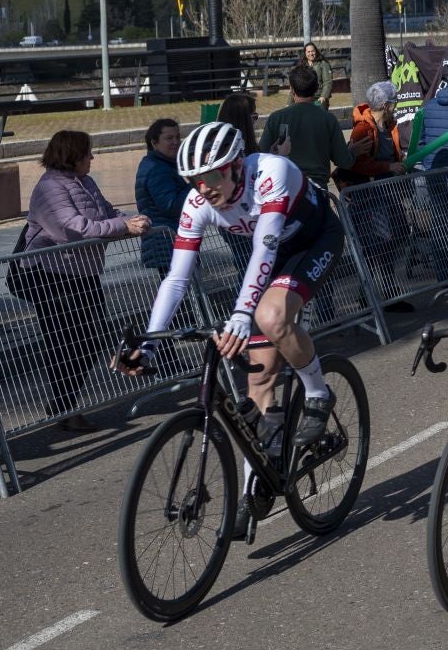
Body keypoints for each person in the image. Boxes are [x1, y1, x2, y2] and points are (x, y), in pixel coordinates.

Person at [122, 122, 345, 536]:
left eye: (210, 177)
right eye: (194, 181)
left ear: (236, 167)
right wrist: (150, 343)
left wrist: (242, 314)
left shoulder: (270, 174)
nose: (203, 189)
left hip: (315, 241)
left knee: (270, 317)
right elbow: (176, 278)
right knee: (257, 386)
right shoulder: (197, 203)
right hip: (272, 261)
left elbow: (265, 245)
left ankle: (317, 391)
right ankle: (251, 489)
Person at [22, 130, 151, 432]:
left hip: (83, 273)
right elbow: (70, 228)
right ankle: (63, 408)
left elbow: (106, 212)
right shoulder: (50, 188)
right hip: (51, 275)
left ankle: (63, 405)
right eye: (87, 153)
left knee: (89, 340)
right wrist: (122, 226)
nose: (92, 158)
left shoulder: (85, 182)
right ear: (72, 155)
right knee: (65, 343)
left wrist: (133, 220)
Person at [259, 64, 355, 186]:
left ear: (292, 90)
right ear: (316, 89)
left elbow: (261, 156)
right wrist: (352, 151)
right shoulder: (328, 119)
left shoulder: (276, 118)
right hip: (317, 189)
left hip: (284, 188)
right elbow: (343, 160)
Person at [134, 118, 185, 275]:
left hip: (170, 241)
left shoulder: (164, 164)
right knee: (178, 294)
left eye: (178, 137)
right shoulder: (157, 168)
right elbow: (170, 205)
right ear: (154, 143)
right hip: (167, 242)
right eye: (169, 138)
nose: (175, 142)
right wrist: (194, 184)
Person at [342, 81, 406, 184]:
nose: (396, 106)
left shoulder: (390, 125)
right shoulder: (363, 129)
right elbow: (359, 164)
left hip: (392, 184)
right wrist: (388, 167)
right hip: (373, 189)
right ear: (386, 106)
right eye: (395, 102)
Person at [299, 42, 334, 109]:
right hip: (305, 99)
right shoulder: (302, 66)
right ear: (305, 53)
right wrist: (289, 103)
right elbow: (296, 84)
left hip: (318, 99)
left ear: (316, 51)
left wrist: (323, 96)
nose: (311, 54)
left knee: (318, 115)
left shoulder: (323, 64)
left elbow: (328, 82)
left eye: (312, 51)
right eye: (308, 52)